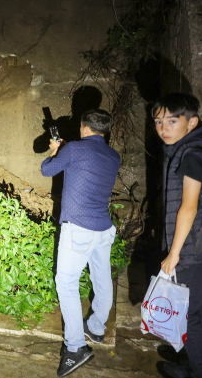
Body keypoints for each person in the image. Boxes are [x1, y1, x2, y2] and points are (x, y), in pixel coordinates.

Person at [41, 109, 121, 377]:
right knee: (102, 278)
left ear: (84, 127)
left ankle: (75, 348)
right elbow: (87, 165)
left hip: (79, 228)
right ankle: (96, 327)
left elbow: (46, 170)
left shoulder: (73, 149)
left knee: (66, 283)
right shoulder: (113, 155)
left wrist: (55, 150)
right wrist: (67, 151)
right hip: (103, 228)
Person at [152, 93, 202, 378]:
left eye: (172, 120)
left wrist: (174, 253)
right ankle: (199, 365)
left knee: (190, 315)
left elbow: (188, 207)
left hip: (193, 248)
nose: (163, 127)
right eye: (158, 121)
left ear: (191, 122)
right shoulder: (196, 147)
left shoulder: (193, 154)